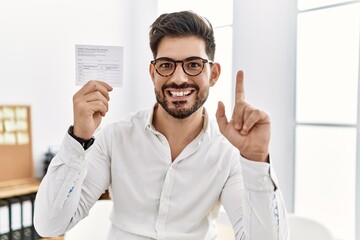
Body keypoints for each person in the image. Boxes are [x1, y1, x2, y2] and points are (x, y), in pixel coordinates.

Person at [34, 10, 289, 240]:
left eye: (193, 65)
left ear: (213, 74)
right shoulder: (114, 138)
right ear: (152, 72)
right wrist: (78, 139)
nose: (179, 79)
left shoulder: (229, 152)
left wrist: (256, 160)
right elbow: (50, 225)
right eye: (166, 65)